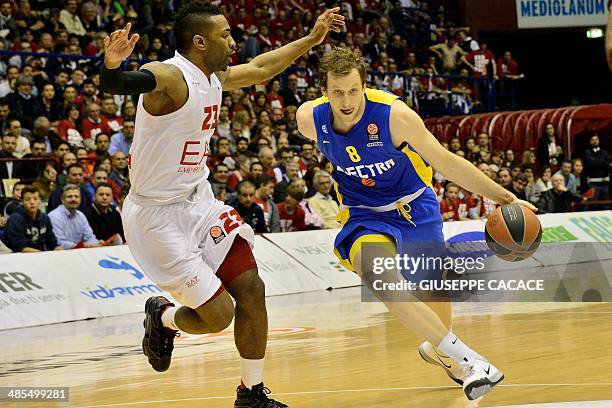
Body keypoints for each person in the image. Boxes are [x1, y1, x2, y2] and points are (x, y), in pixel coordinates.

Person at [100, 4, 343, 406]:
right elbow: (121, 84)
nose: (233, 43)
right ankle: (162, 318)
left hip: (198, 202)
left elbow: (263, 68)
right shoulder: (170, 76)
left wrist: (312, 39)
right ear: (199, 42)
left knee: (252, 288)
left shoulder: (213, 77)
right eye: (225, 35)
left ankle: (252, 393)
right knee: (219, 315)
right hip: (156, 218)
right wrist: (112, 64)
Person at [296, 48, 536, 401]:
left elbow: (446, 162)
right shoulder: (308, 120)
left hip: (415, 209)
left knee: (434, 297)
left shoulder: (395, 116)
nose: (346, 101)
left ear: (365, 86)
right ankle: (471, 361)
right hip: (364, 214)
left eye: (353, 91)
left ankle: (441, 349)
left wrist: (506, 198)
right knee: (381, 279)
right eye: (337, 92)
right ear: (323, 91)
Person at [3, 186, 62, 252]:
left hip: (40, 254)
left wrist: (61, 251)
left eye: (35, 199)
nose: (32, 202)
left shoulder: (45, 218)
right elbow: (19, 247)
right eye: (28, 199)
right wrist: (43, 255)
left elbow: (52, 243)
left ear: (40, 201)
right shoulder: (15, 219)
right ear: (22, 202)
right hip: (19, 257)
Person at [48, 184, 102, 249]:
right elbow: (60, 242)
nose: (73, 199)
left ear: (80, 199)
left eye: (76, 196)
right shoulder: (54, 216)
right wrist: (84, 245)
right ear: (62, 199)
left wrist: (98, 243)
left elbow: (89, 237)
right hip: (61, 254)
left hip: (80, 253)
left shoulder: (81, 216)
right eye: (69, 196)